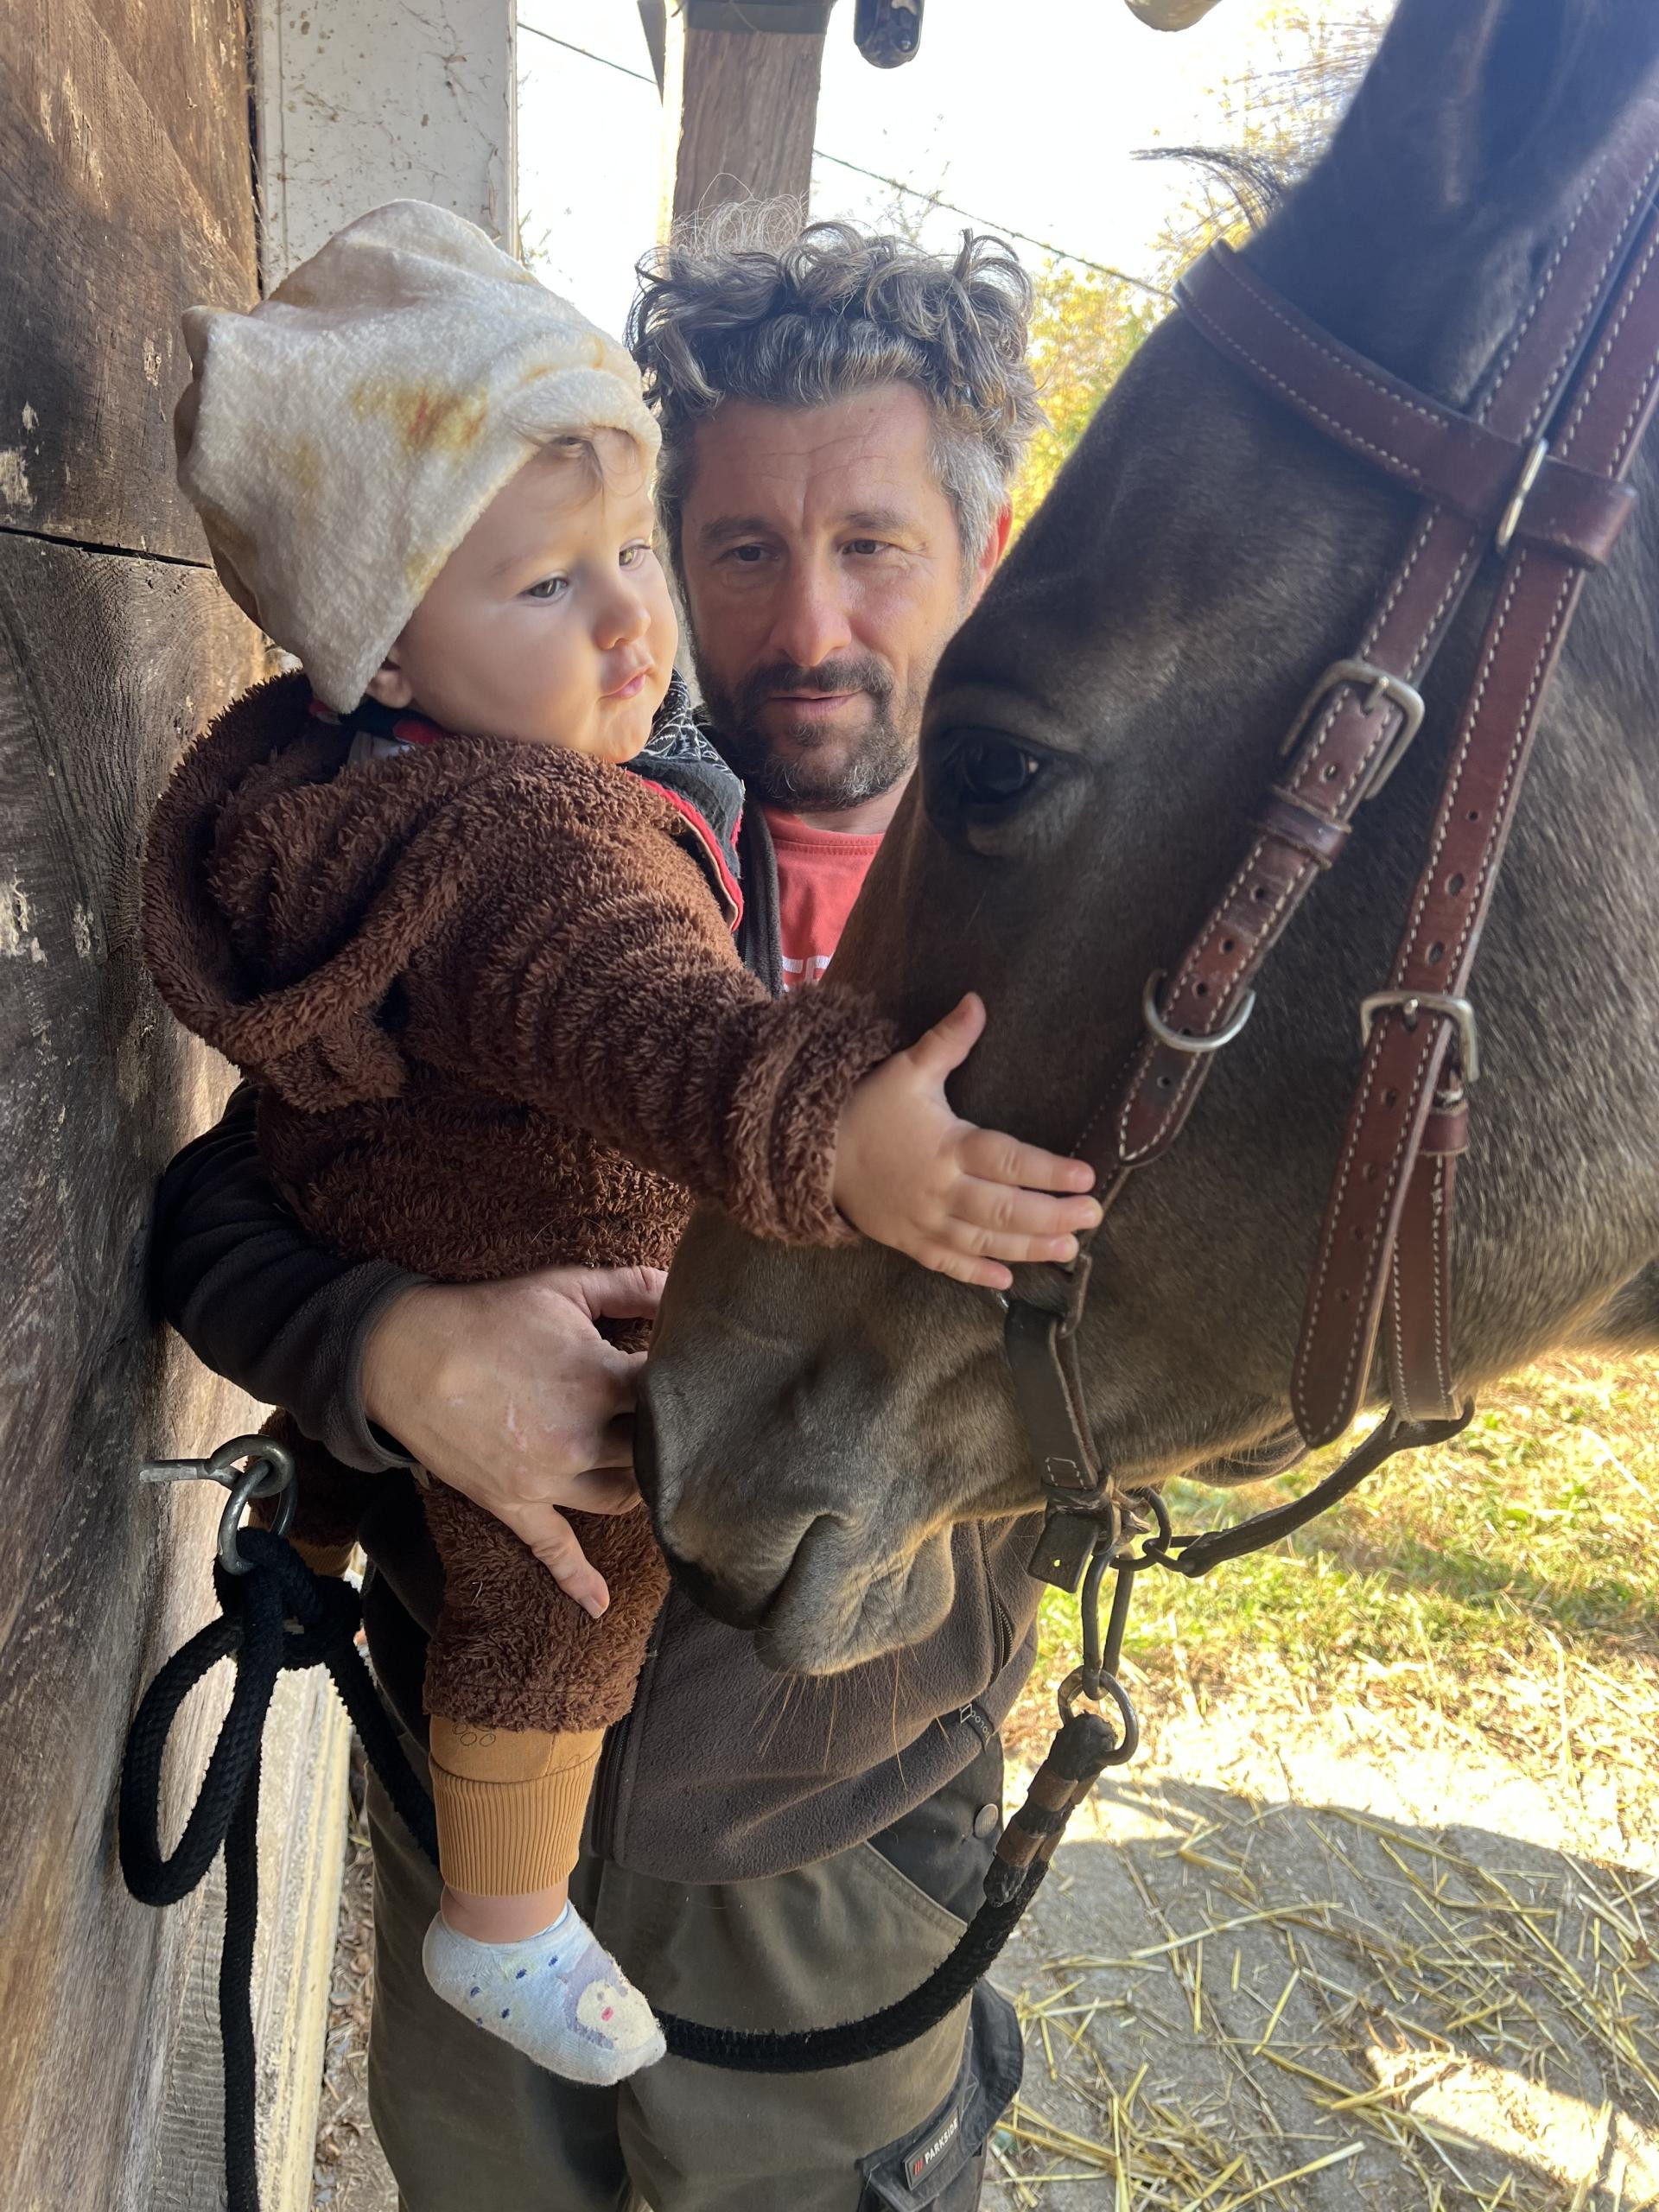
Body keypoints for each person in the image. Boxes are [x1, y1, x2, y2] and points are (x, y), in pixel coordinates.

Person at [148, 207, 1048, 2209]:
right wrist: (394, 1348)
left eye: (872, 543)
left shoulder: (1091, 940)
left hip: (830, 1832)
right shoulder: (537, 816)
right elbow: (221, 1209)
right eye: (739, 547)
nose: (801, 622)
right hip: (468, 1755)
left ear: (984, 549)